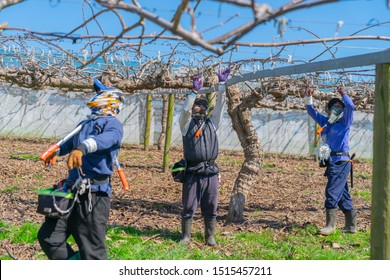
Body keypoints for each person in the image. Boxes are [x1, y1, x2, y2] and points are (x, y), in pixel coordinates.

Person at [37, 79, 125, 259]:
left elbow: (106, 140)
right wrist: (58, 152)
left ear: (110, 99)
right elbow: (71, 142)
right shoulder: (87, 123)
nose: (95, 96)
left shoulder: (113, 124)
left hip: (93, 196)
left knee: (92, 251)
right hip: (70, 192)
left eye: (100, 93)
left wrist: (82, 148)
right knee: (49, 237)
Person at [178, 69, 230, 246]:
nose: (197, 109)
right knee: (188, 206)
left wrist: (222, 85)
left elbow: (221, 106)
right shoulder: (186, 125)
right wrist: (193, 93)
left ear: (207, 110)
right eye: (195, 107)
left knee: (211, 205)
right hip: (192, 171)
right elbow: (184, 111)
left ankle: (210, 236)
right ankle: (186, 236)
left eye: (201, 106)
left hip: (211, 171)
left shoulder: (212, 124)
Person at [305, 86, 357, 235]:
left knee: (332, 192)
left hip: (341, 161)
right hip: (333, 162)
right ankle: (351, 226)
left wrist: (344, 94)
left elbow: (351, 107)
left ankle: (330, 226)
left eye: (340, 106)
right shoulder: (327, 123)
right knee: (342, 195)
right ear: (329, 110)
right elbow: (311, 111)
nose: (337, 108)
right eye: (334, 106)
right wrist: (309, 98)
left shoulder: (344, 123)